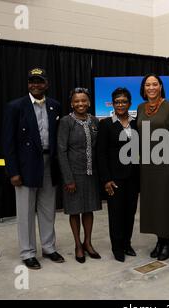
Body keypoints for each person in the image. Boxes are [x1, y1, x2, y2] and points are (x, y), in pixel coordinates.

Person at [3, 67, 65, 269]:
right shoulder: (15, 107)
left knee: (48, 209)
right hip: (26, 165)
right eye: (32, 81)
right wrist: (13, 171)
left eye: (39, 81)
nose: (36, 85)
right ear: (28, 84)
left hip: (49, 163)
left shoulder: (55, 106)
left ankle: (48, 247)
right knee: (26, 211)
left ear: (46, 83)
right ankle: (28, 252)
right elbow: (8, 142)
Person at [136, 73, 169, 261]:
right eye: (148, 85)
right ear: (144, 88)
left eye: (155, 84)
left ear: (161, 86)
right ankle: (159, 240)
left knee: (166, 202)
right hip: (147, 164)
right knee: (152, 203)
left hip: (167, 163)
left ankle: (167, 241)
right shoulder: (140, 108)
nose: (151, 87)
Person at [57, 87, 102, 263]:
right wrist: (68, 179)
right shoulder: (66, 122)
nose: (80, 104)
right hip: (73, 175)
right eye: (77, 101)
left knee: (89, 209)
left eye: (83, 100)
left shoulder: (95, 121)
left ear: (89, 102)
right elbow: (61, 151)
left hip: (91, 174)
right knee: (75, 211)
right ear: (71, 103)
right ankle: (77, 245)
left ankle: (88, 243)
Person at [98, 87, 139, 262]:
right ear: (112, 104)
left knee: (130, 212)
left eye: (123, 101)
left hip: (133, 176)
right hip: (114, 178)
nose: (120, 104)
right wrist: (106, 179)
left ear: (129, 103)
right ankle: (117, 247)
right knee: (116, 213)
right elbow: (101, 154)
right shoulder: (106, 124)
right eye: (117, 102)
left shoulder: (136, 123)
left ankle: (127, 244)